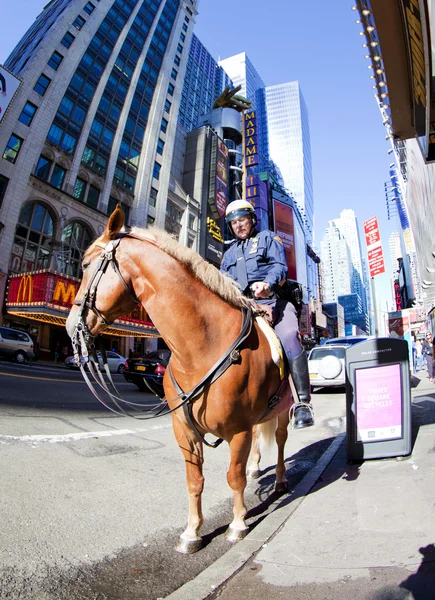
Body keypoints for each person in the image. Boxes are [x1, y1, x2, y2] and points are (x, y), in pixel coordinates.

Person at [220, 199, 314, 429]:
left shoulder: (269, 239)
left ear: (252, 220)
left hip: (275, 302)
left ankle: (303, 403)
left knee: (290, 336)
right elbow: (222, 280)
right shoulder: (229, 253)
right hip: (243, 307)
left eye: (242, 220)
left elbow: (280, 267)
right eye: (234, 223)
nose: (239, 226)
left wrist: (267, 284)